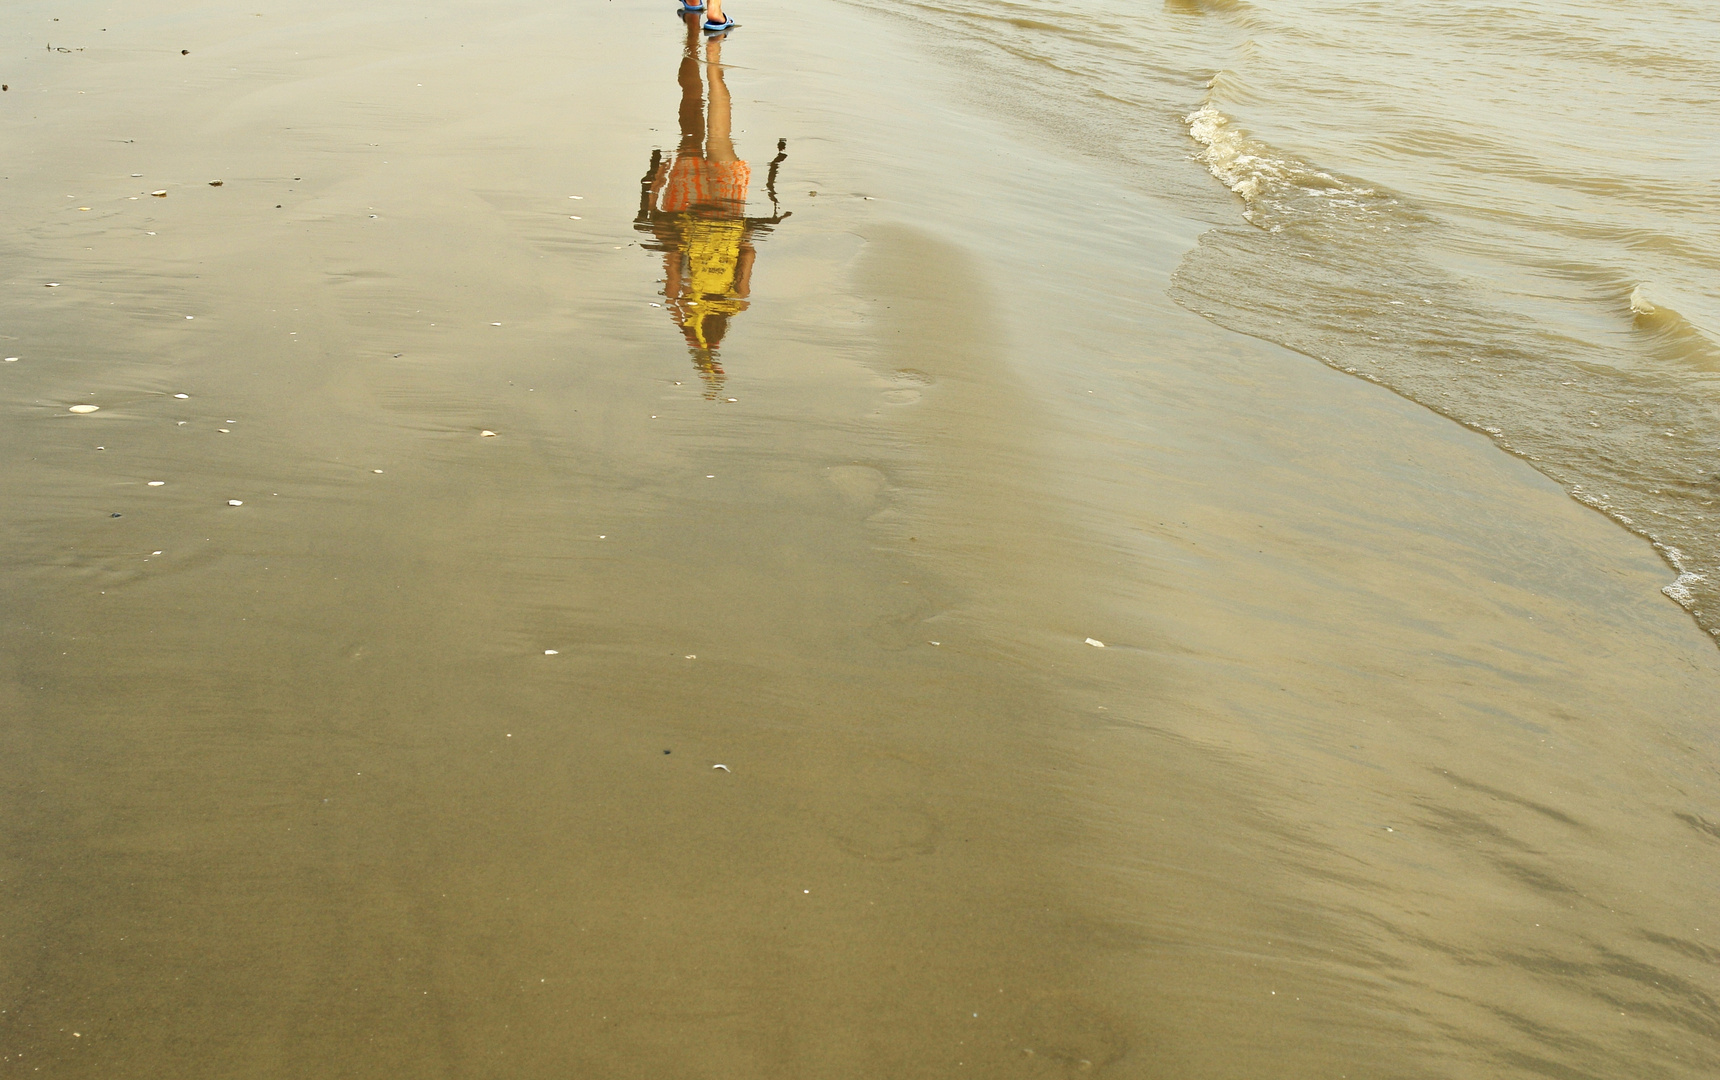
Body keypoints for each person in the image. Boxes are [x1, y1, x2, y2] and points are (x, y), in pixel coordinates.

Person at [635, 18, 787, 395]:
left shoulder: (738, 302)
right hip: (686, 199)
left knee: (719, 124)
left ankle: (714, 55)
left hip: (727, 199)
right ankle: (705, 47)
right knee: (690, 123)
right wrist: (654, 185)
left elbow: (748, 250)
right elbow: (672, 256)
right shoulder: (684, 299)